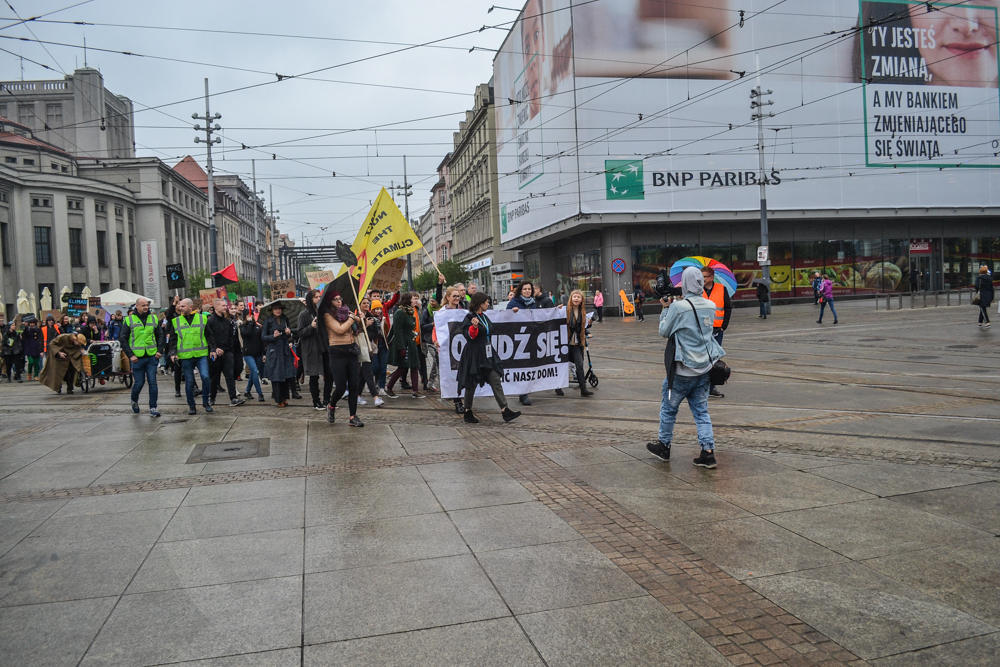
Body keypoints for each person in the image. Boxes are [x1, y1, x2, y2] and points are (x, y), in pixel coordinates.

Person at [646, 267, 725, 469]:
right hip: (704, 370)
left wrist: (665, 308)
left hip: (681, 371)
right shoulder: (710, 304)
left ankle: (664, 446)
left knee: (668, 410)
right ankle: (708, 452)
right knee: (701, 412)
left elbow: (664, 331)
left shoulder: (678, 307)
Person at [458, 292, 521, 423]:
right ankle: (467, 411)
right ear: (480, 303)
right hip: (474, 354)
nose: (488, 304)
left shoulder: (484, 317)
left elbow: (489, 330)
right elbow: (469, 336)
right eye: (486, 302)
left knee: (495, 379)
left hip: (487, 353)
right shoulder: (470, 317)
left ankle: (505, 410)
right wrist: (473, 328)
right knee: (471, 383)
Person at [321, 291, 364, 426]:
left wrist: (360, 318)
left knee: (353, 386)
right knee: (340, 387)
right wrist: (352, 319)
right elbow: (339, 329)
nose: (339, 301)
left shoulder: (347, 312)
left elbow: (360, 329)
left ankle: (353, 416)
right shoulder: (327, 315)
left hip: (351, 350)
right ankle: (331, 405)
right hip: (337, 353)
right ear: (330, 302)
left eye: (340, 298)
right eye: (335, 299)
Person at [168, 298, 216, 415]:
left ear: (190, 307)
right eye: (180, 306)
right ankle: (192, 405)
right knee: (189, 382)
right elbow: (173, 340)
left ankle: (206, 402)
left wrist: (213, 350)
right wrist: (173, 353)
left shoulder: (202, 319)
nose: (180, 308)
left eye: (183, 306)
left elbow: (209, 336)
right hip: (185, 356)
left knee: (205, 377)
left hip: (200, 355)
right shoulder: (176, 321)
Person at [120, 296, 164, 417]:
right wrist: (130, 355)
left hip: (151, 356)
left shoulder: (153, 318)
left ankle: (153, 407)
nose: (146, 307)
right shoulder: (129, 320)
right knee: (139, 383)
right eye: (143, 305)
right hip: (137, 357)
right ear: (137, 306)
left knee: (153, 382)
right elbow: (123, 339)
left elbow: (160, 335)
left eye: (147, 305)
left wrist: (160, 351)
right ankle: (134, 400)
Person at [206, 299, 245, 408]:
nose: (225, 307)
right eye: (223, 305)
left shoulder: (227, 322)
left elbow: (230, 337)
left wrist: (230, 350)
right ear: (216, 307)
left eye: (225, 306)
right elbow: (209, 337)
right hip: (215, 353)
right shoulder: (210, 321)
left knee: (230, 375)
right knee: (214, 376)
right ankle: (212, 397)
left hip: (227, 352)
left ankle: (233, 398)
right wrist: (214, 349)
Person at [385, 292, 425, 398]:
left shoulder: (410, 311)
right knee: (402, 368)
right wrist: (401, 347)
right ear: (407, 300)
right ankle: (388, 387)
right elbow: (397, 331)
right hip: (404, 343)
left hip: (411, 342)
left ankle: (415, 391)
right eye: (413, 299)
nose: (416, 301)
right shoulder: (400, 312)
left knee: (414, 366)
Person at [298, 289, 332, 410]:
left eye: (319, 297)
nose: (318, 299)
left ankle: (327, 399)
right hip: (312, 349)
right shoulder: (304, 314)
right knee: (314, 376)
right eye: (316, 297)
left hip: (324, 347)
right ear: (310, 299)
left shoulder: (322, 312)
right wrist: (311, 327)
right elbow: (301, 332)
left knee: (329, 373)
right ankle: (316, 401)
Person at [507, 280, 539, 406]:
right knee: (522, 366)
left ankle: (524, 391)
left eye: (529, 289)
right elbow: (505, 319)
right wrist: (511, 313)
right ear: (520, 290)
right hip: (518, 339)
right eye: (525, 289)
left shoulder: (533, 304)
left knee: (529, 365)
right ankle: (523, 393)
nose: (527, 291)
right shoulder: (513, 303)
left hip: (531, 337)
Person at [702, 266, 732, 398]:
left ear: (711, 277)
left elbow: (728, 307)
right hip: (702, 330)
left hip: (717, 329)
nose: (702, 279)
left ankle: (711, 387)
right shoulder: (697, 290)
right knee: (702, 358)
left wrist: (724, 326)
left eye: (704, 277)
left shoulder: (721, 289)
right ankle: (701, 386)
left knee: (714, 359)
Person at [262, 303, 297, 407]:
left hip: (284, 350)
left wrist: (288, 333)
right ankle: (278, 399)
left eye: (279, 309)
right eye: (275, 309)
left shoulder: (285, 319)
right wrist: (273, 336)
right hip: (274, 351)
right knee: (276, 376)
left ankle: (284, 397)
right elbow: (263, 337)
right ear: (272, 310)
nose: (278, 310)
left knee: (286, 375)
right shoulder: (268, 321)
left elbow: (290, 336)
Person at [562, 290, 594, 397]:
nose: (576, 299)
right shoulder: (565, 311)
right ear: (571, 298)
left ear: (581, 300)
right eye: (574, 297)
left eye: (578, 297)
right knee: (561, 365)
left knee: (579, 364)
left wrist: (588, 326)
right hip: (565, 342)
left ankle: (583, 389)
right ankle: (557, 387)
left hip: (577, 343)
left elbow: (582, 327)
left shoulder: (583, 312)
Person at [357, 297, 385, 407]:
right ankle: (375, 397)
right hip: (359, 347)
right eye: (364, 303)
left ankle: (358, 396)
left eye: (367, 303)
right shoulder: (355, 317)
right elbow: (355, 331)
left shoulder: (371, 317)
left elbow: (375, 333)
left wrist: (367, 332)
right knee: (368, 373)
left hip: (368, 348)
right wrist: (364, 326)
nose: (366, 305)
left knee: (363, 375)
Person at [240, 311, 266, 401]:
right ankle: (260, 393)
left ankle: (247, 391)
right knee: (255, 372)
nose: (250, 317)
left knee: (253, 373)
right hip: (248, 353)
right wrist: (250, 323)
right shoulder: (243, 326)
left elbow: (261, 341)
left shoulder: (258, 327)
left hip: (258, 353)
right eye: (247, 316)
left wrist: (264, 353)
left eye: (251, 316)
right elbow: (246, 334)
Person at [369, 299, 390, 392]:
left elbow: (387, 331)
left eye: (380, 309)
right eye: (376, 309)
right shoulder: (370, 319)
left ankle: (382, 387)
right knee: (374, 367)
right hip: (374, 345)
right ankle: (369, 383)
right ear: (372, 310)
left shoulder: (384, 320)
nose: (378, 311)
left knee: (383, 367)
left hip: (383, 344)